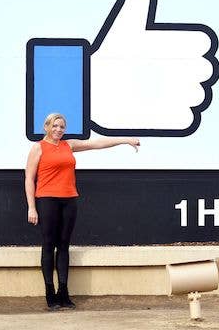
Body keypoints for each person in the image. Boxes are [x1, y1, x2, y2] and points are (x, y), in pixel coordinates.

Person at [25, 113, 140, 311]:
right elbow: (29, 179)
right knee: (48, 245)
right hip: (47, 199)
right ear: (46, 127)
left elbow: (97, 143)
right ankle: (49, 293)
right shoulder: (38, 148)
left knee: (64, 246)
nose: (59, 130)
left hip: (69, 199)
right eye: (55, 126)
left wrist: (125, 140)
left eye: (62, 127)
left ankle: (64, 292)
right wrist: (32, 207)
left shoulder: (68, 145)